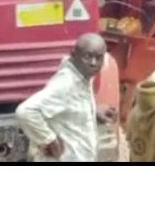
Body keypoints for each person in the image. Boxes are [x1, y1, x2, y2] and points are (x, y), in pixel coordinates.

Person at [16, 33, 116, 162]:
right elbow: (25, 111)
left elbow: (70, 104)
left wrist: (92, 111)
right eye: (87, 56)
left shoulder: (83, 76)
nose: (93, 63)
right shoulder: (66, 83)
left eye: (98, 58)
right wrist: (49, 140)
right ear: (74, 54)